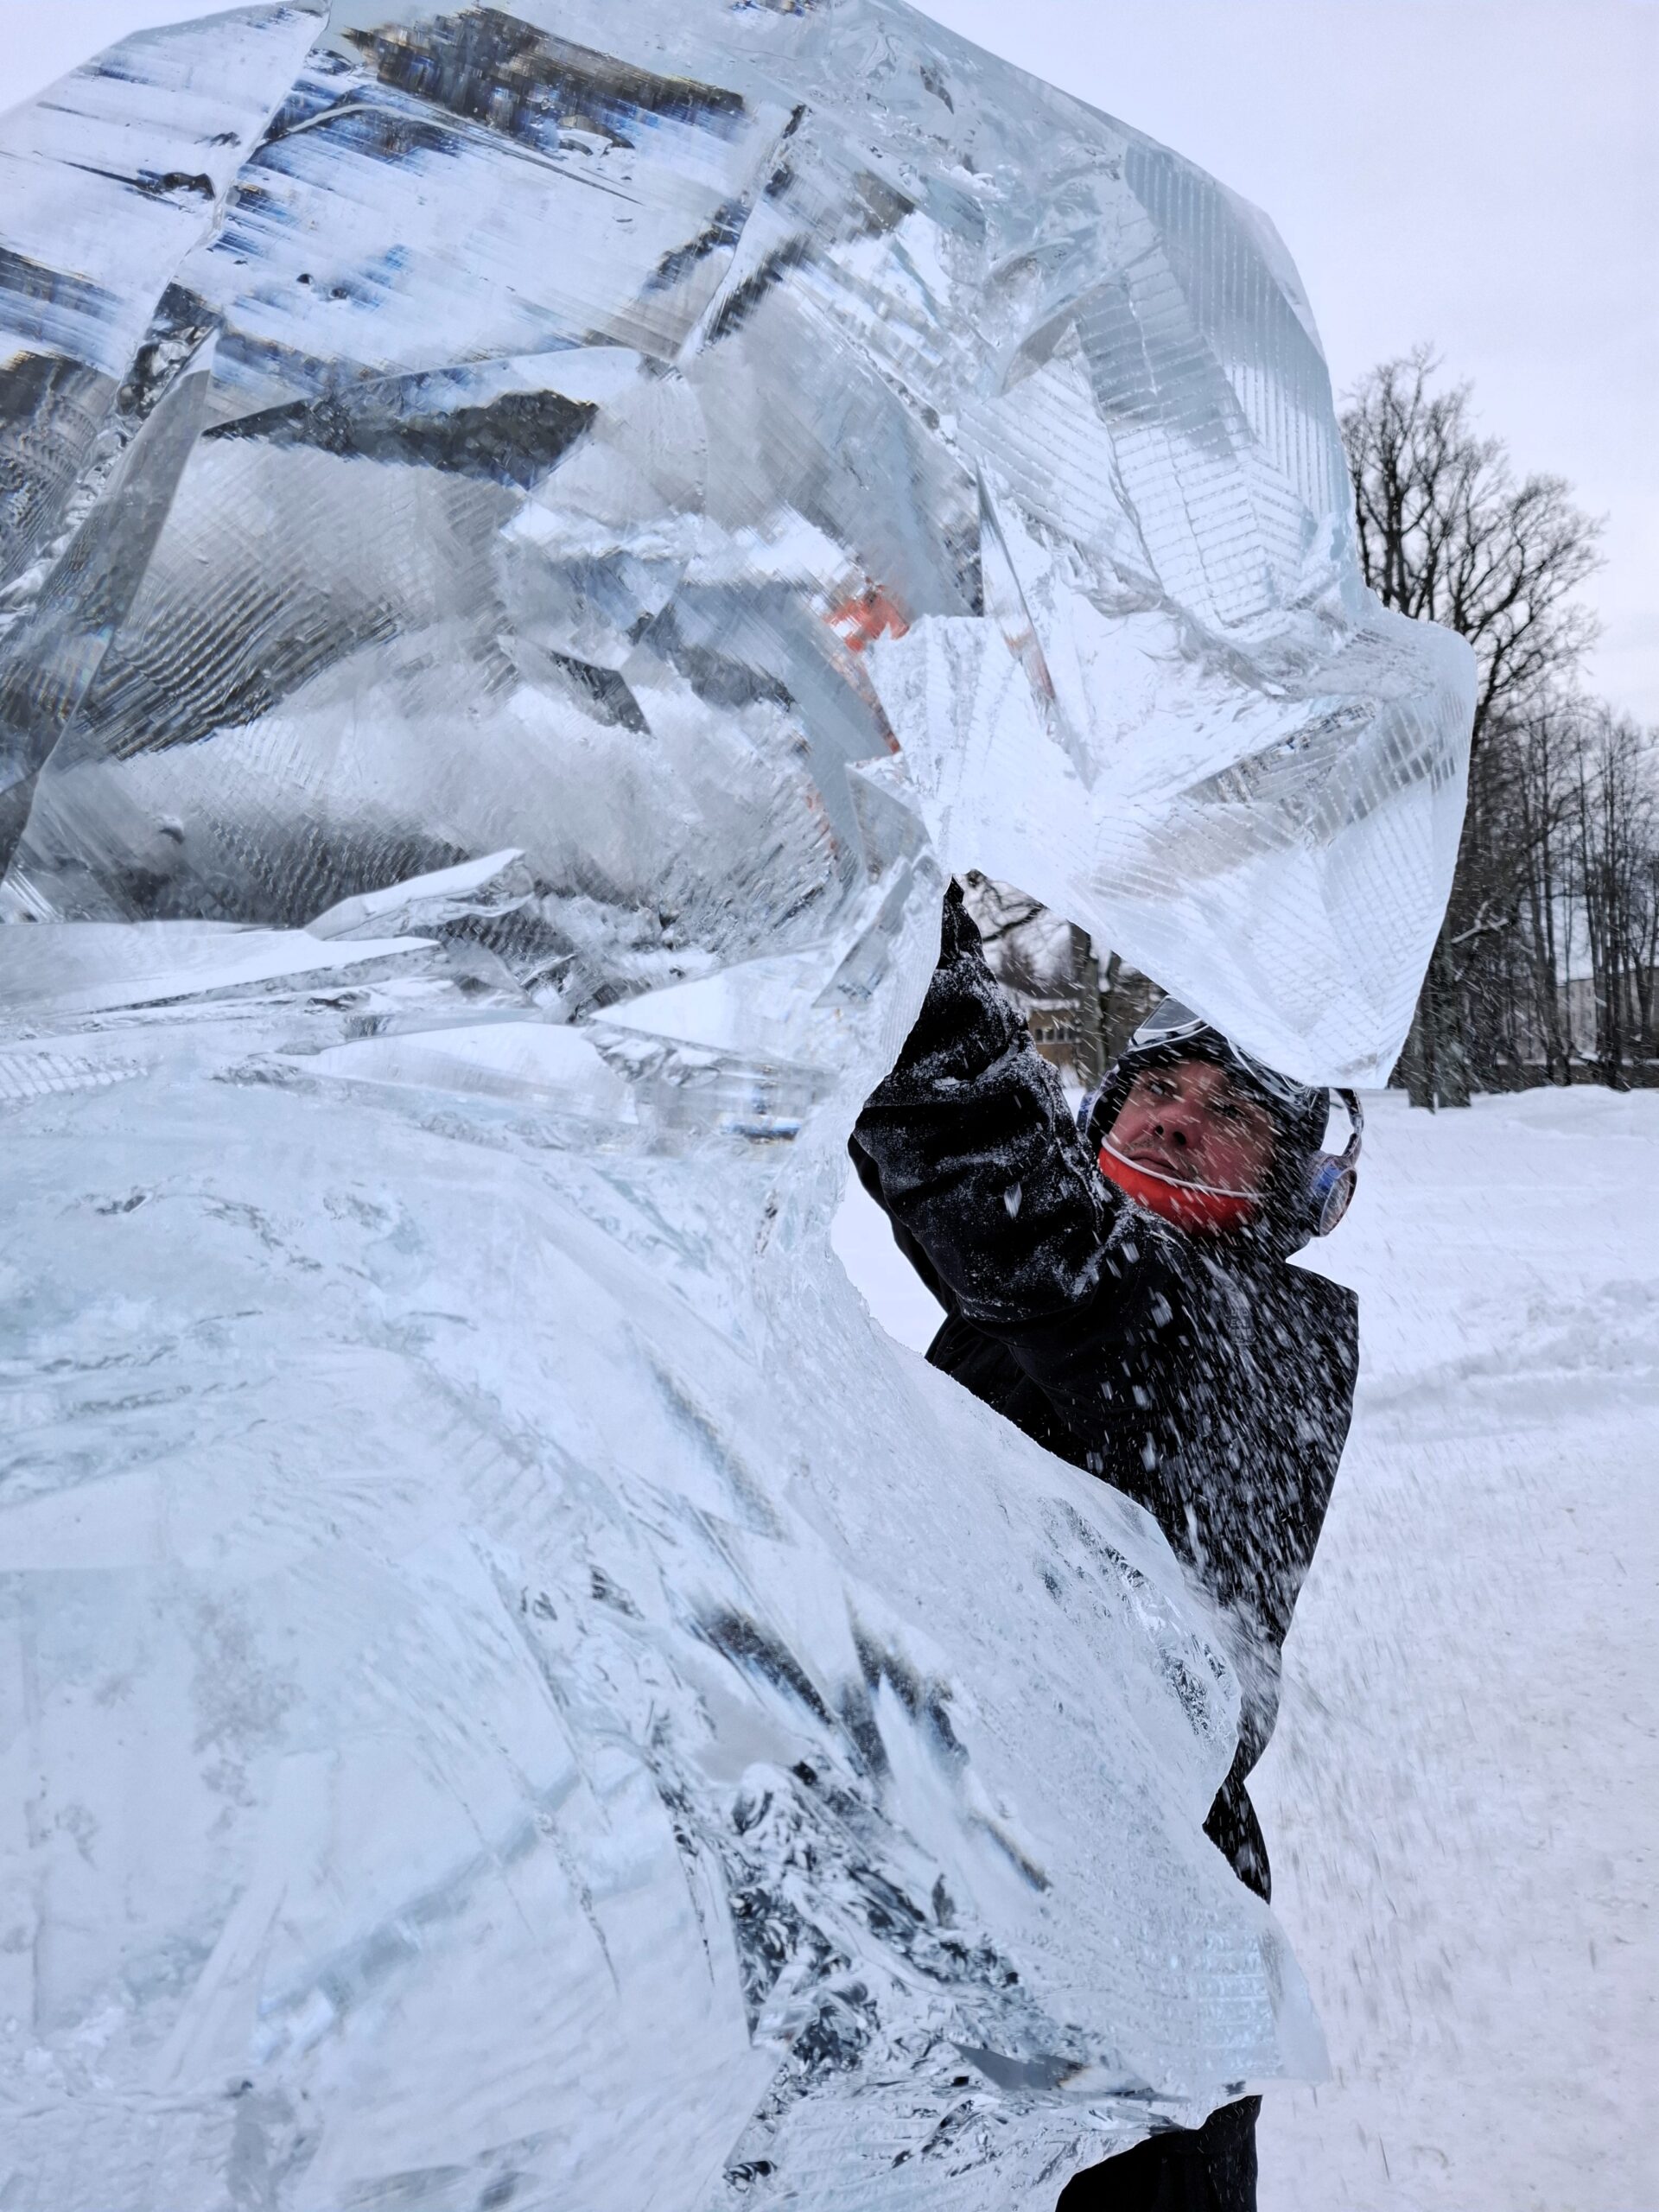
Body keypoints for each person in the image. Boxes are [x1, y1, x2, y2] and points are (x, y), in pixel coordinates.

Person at [849, 884, 1362, 2212]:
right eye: (1158, 1089)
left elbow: (988, 1181)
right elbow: (954, 1191)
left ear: (1287, 1197)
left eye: (1237, 1114)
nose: (1180, 1116)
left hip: (1127, 1953)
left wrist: (886, 890)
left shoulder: (1244, 1339)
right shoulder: (1074, 1298)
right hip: (981, 1874)